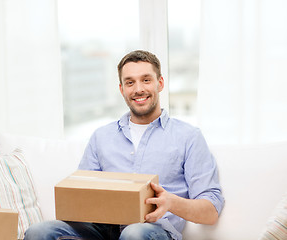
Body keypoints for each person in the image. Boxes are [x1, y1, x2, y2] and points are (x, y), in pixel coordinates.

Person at [24, 50, 224, 240]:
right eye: (130, 82)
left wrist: (171, 202)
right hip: (101, 230)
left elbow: (211, 211)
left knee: (133, 233)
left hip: (154, 231)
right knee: (39, 231)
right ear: (121, 89)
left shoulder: (188, 137)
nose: (138, 89)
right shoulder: (101, 137)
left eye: (146, 80)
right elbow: (82, 195)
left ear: (160, 83)